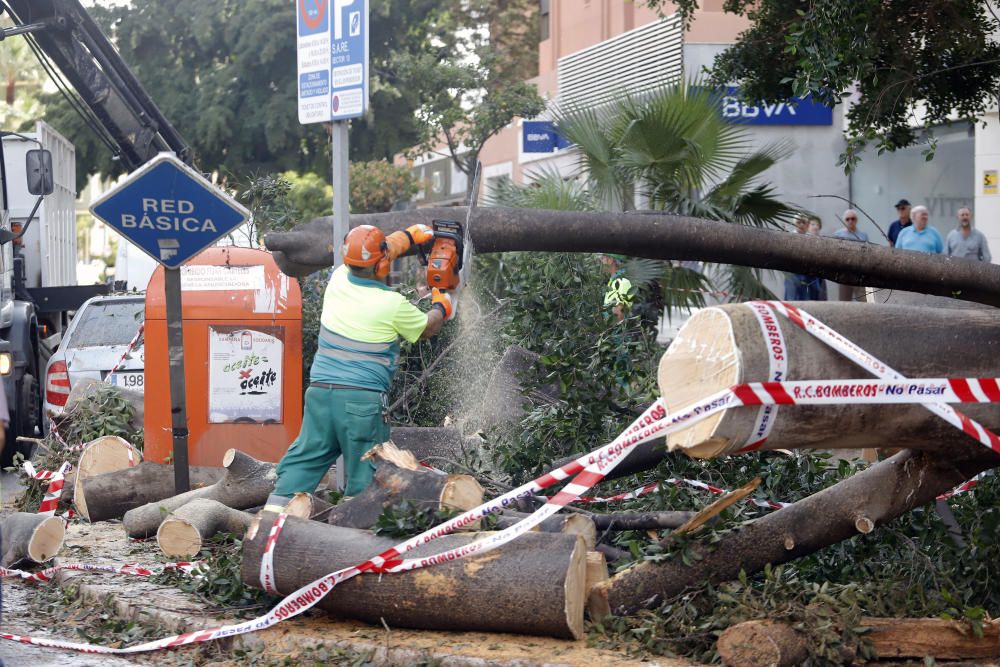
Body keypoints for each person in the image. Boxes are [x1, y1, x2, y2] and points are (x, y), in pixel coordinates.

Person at [264, 224, 453, 510]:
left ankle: (271, 522)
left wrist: (411, 237)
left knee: (305, 459)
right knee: (366, 474)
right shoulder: (392, 304)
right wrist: (442, 306)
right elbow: (428, 328)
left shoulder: (339, 278)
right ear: (381, 265)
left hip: (320, 394)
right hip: (361, 401)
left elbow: (378, 253)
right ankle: (355, 537)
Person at [832, 209, 869, 302]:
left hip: (859, 274)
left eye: (853, 218)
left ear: (856, 220)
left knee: (863, 302)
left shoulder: (863, 236)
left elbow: (867, 254)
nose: (850, 221)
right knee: (844, 302)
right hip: (844, 273)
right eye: (847, 219)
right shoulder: (837, 235)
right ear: (844, 221)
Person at [783, 216, 812, 300]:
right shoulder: (789, 237)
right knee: (791, 299)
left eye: (803, 222)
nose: (801, 225)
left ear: (807, 225)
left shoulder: (811, 239)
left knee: (806, 300)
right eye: (799, 222)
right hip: (792, 274)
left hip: (806, 274)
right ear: (795, 224)